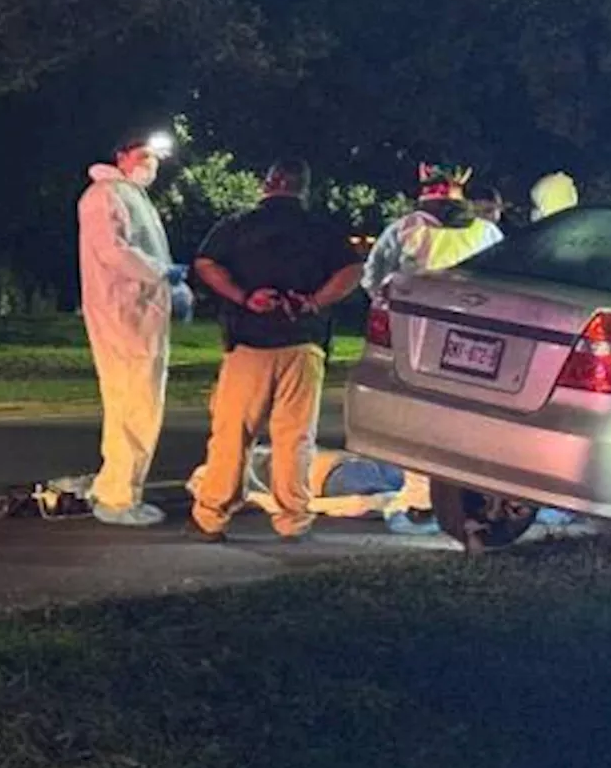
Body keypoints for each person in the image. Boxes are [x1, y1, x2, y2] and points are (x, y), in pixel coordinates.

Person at [188, 159, 362, 542]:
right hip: (303, 343)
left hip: (248, 343)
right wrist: (314, 302)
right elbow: (352, 272)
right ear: (303, 188)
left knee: (233, 433)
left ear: (267, 184)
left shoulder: (238, 225)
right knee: (296, 436)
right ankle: (293, 519)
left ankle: (213, 514)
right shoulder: (322, 230)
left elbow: (205, 263)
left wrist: (244, 296)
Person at [77, 137, 188, 526]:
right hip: (124, 315)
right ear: (120, 155)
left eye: (154, 158)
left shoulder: (130, 195)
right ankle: (119, 496)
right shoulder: (104, 196)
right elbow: (114, 251)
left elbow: (146, 251)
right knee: (135, 406)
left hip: (139, 314)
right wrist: (162, 274)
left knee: (134, 403)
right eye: (142, 156)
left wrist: (173, 287)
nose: (150, 164)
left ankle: (115, 486)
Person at [360, 162, 503, 299]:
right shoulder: (488, 232)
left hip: (416, 306)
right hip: (474, 305)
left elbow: (374, 274)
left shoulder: (403, 228)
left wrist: (382, 302)